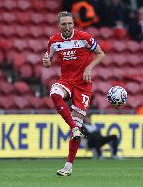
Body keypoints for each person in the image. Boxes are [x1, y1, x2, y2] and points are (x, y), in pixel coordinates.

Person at [42, 11, 105, 176]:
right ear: (59, 26)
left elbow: (101, 53)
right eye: (64, 24)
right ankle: (74, 128)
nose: (67, 26)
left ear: (74, 24)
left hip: (83, 86)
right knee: (54, 93)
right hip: (67, 81)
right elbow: (48, 62)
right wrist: (47, 62)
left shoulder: (84, 37)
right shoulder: (54, 41)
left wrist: (89, 68)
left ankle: (68, 166)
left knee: (77, 128)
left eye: (70, 23)